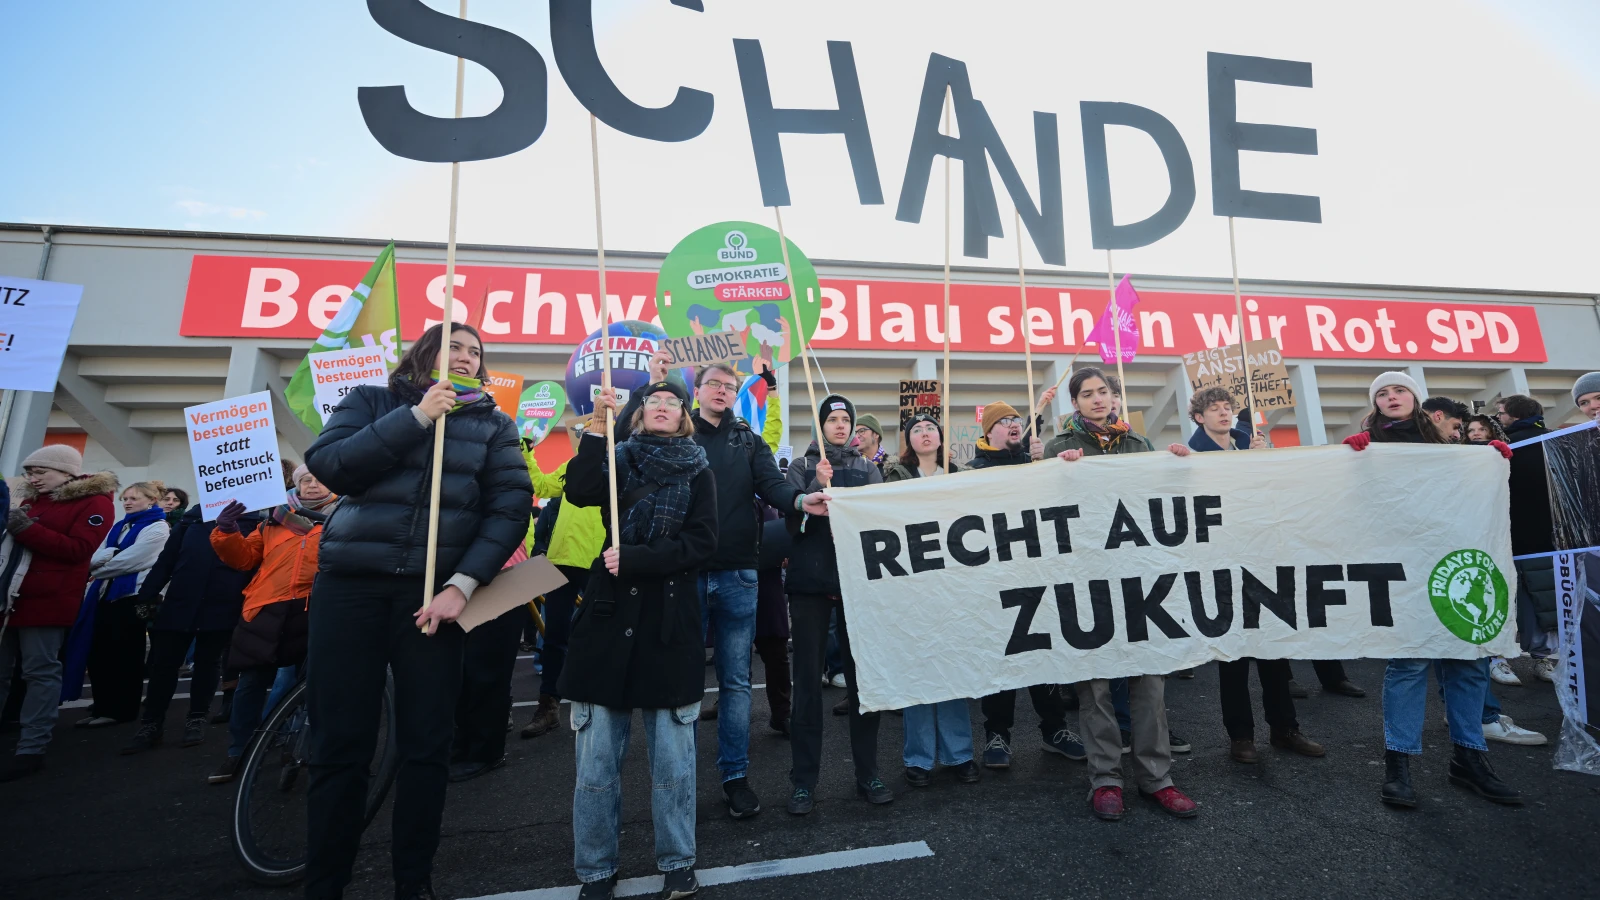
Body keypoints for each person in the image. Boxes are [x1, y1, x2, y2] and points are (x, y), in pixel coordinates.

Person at [303, 321, 533, 900]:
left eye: (475, 351)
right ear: (426, 351)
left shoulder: (495, 425)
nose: (466, 357)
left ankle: (413, 880)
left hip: (433, 597)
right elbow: (332, 466)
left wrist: (463, 585)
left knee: (427, 743)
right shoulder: (371, 400)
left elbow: (509, 509)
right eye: (454, 346)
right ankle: (325, 881)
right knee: (340, 742)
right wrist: (416, 418)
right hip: (351, 588)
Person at [624, 353, 824, 820]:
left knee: (736, 683)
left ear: (735, 395)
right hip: (684, 574)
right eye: (713, 384)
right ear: (696, 392)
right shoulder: (676, 435)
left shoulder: (747, 440)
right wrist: (646, 387)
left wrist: (800, 500)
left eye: (729, 387)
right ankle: (682, 780)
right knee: (685, 681)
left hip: (738, 573)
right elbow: (626, 450)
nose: (721, 391)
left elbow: (773, 486)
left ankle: (735, 777)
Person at [558, 380, 717, 900]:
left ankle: (678, 862)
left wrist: (640, 559)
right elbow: (580, 489)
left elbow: (703, 542)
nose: (663, 407)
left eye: (673, 402)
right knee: (597, 764)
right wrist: (595, 428)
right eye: (653, 402)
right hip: (607, 620)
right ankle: (595, 871)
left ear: (684, 416)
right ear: (638, 413)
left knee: (673, 763)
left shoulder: (699, 470)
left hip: (669, 623)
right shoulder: (617, 457)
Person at [1344, 371, 1521, 807]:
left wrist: (1489, 463)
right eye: (1382, 393)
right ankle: (1399, 763)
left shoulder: (1446, 445)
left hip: (1450, 560)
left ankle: (1469, 758)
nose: (1391, 397)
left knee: (1468, 660)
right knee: (1409, 662)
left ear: (1415, 398)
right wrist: (1347, 461)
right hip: (1402, 568)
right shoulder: (1368, 446)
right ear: (1375, 403)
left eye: (1399, 390)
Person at [1049, 367, 1199, 821]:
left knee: (1149, 682)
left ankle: (1157, 778)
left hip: (1137, 580)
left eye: (1103, 392)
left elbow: (1160, 500)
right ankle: (1105, 780)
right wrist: (1058, 473)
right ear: (1075, 403)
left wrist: (1176, 466)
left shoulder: (1139, 445)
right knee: (1095, 686)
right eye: (1087, 394)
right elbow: (1044, 509)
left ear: (1115, 397)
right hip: (1087, 581)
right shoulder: (1059, 448)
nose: (1097, 399)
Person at [1183, 388, 1325, 763]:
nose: (1223, 413)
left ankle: (1285, 728)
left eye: (1226, 407)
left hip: (1263, 559)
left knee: (1273, 650)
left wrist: (1264, 461)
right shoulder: (1191, 455)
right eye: (1214, 409)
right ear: (1198, 417)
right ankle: (1241, 736)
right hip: (1223, 564)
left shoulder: (1252, 444)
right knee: (1233, 657)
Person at [968, 393, 1087, 768]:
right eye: (1005, 421)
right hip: (996, 581)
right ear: (990, 431)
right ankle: (997, 735)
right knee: (1001, 659)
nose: (1013, 424)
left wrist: (1047, 466)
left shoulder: (1035, 462)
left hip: (1038, 577)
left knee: (1044, 656)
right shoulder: (972, 472)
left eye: (1016, 420)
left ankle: (1055, 730)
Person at [785, 393, 886, 814]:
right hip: (810, 585)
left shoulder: (868, 469)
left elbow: (879, 521)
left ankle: (868, 773)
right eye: (833, 419)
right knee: (808, 686)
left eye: (846, 419)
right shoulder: (801, 466)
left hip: (856, 585)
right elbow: (790, 521)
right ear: (820, 426)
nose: (841, 426)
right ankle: (803, 782)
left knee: (863, 684)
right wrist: (814, 484)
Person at [0, 447, 115, 782]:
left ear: (67, 472)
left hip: (47, 601)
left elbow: (79, 550)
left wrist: (25, 528)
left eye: (41, 472)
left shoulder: (96, 502)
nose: (33, 479)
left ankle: (31, 747)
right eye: (30, 472)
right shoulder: (33, 500)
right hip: (10, 597)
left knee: (39, 672)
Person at [886, 413, 980, 787]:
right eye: (917, 430)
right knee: (918, 669)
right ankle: (919, 757)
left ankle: (960, 754)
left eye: (931, 428)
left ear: (941, 437)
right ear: (909, 441)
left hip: (953, 584)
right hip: (912, 586)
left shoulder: (961, 476)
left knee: (952, 668)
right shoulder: (895, 477)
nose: (925, 433)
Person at [121, 497, 257, 754]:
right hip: (180, 602)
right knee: (164, 665)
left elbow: (254, 566)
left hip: (222, 605)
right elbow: (167, 560)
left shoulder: (255, 522)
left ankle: (196, 718)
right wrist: (147, 594)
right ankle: (151, 724)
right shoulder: (191, 519)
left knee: (207, 664)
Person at [519, 423, 605, 740]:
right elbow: (541, 487)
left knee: (598, 635)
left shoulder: (619, 464)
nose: (584, 437)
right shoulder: (572, 464)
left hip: (600, 562)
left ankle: (601, 707)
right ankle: (548, 705)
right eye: (583, 432)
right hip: (561, 559)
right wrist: (526, 452)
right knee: (554, 637)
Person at [68, 480, 171, 727]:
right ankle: (102, 706)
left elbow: (130, 561)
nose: (127, 502)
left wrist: (96, 570)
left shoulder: (158, 528)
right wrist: (102, 560)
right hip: (104, 594)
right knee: (100, 654)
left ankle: (122, 710)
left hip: (130, 597)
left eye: (134, 498)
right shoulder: (120, 526)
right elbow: (97, 555)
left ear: (151, 500)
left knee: (125, 655)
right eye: (125, 498)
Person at [1497, 394, 1558, 683]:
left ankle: (1498, 657)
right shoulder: (1555, 440)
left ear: (1514, 415)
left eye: (1501, 412)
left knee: (1503, 597)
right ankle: (1542, 657)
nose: (1499, 417)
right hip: (1547, 535)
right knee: (1543, 599)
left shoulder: (1501, 446)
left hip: (1504, 533)